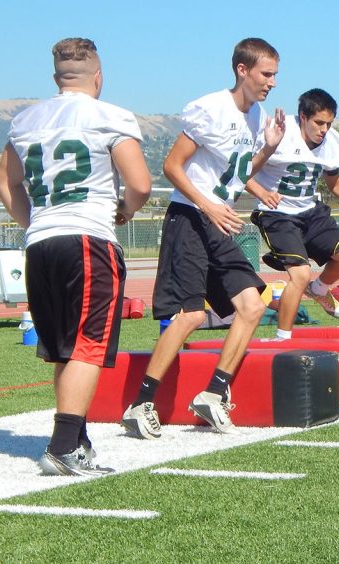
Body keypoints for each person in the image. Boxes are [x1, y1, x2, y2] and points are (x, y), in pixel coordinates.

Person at [0, 38, 151, 475]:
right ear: (98, 77)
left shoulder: (26, 118)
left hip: (41, 242)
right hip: (88, 238)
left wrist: (35, 222)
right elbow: (139, 182)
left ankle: (76, 440)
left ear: (56, 79)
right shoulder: (109, 115)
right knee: (86, 345)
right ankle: (63, 447)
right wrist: (125, 210)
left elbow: (4, 183)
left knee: (65, 348)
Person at [121, 38, 285, 439]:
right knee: (191, 314)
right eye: (266, 74)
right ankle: (141, 404)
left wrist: (269, 148)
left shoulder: (257, 115)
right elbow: (171, 166)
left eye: (276, 75)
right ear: (242, 70)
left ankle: (213, 394)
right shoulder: (211, 108)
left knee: (250, 305)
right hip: (190, 218)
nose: (272, 83)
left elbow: (238, 172)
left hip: (218, 221)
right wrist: (209, 206)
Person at [247, 88, 339, 340]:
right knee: (299, 273)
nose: (324, 129)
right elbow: (242, 171)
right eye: (319, 122)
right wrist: (262, 192)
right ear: (302, 117)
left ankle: (318, 289)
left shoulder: (332, 143)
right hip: (277, 214)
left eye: (329, 123)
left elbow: (335, 183)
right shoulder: (278, 132)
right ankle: (282, 337)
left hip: (309, 210)